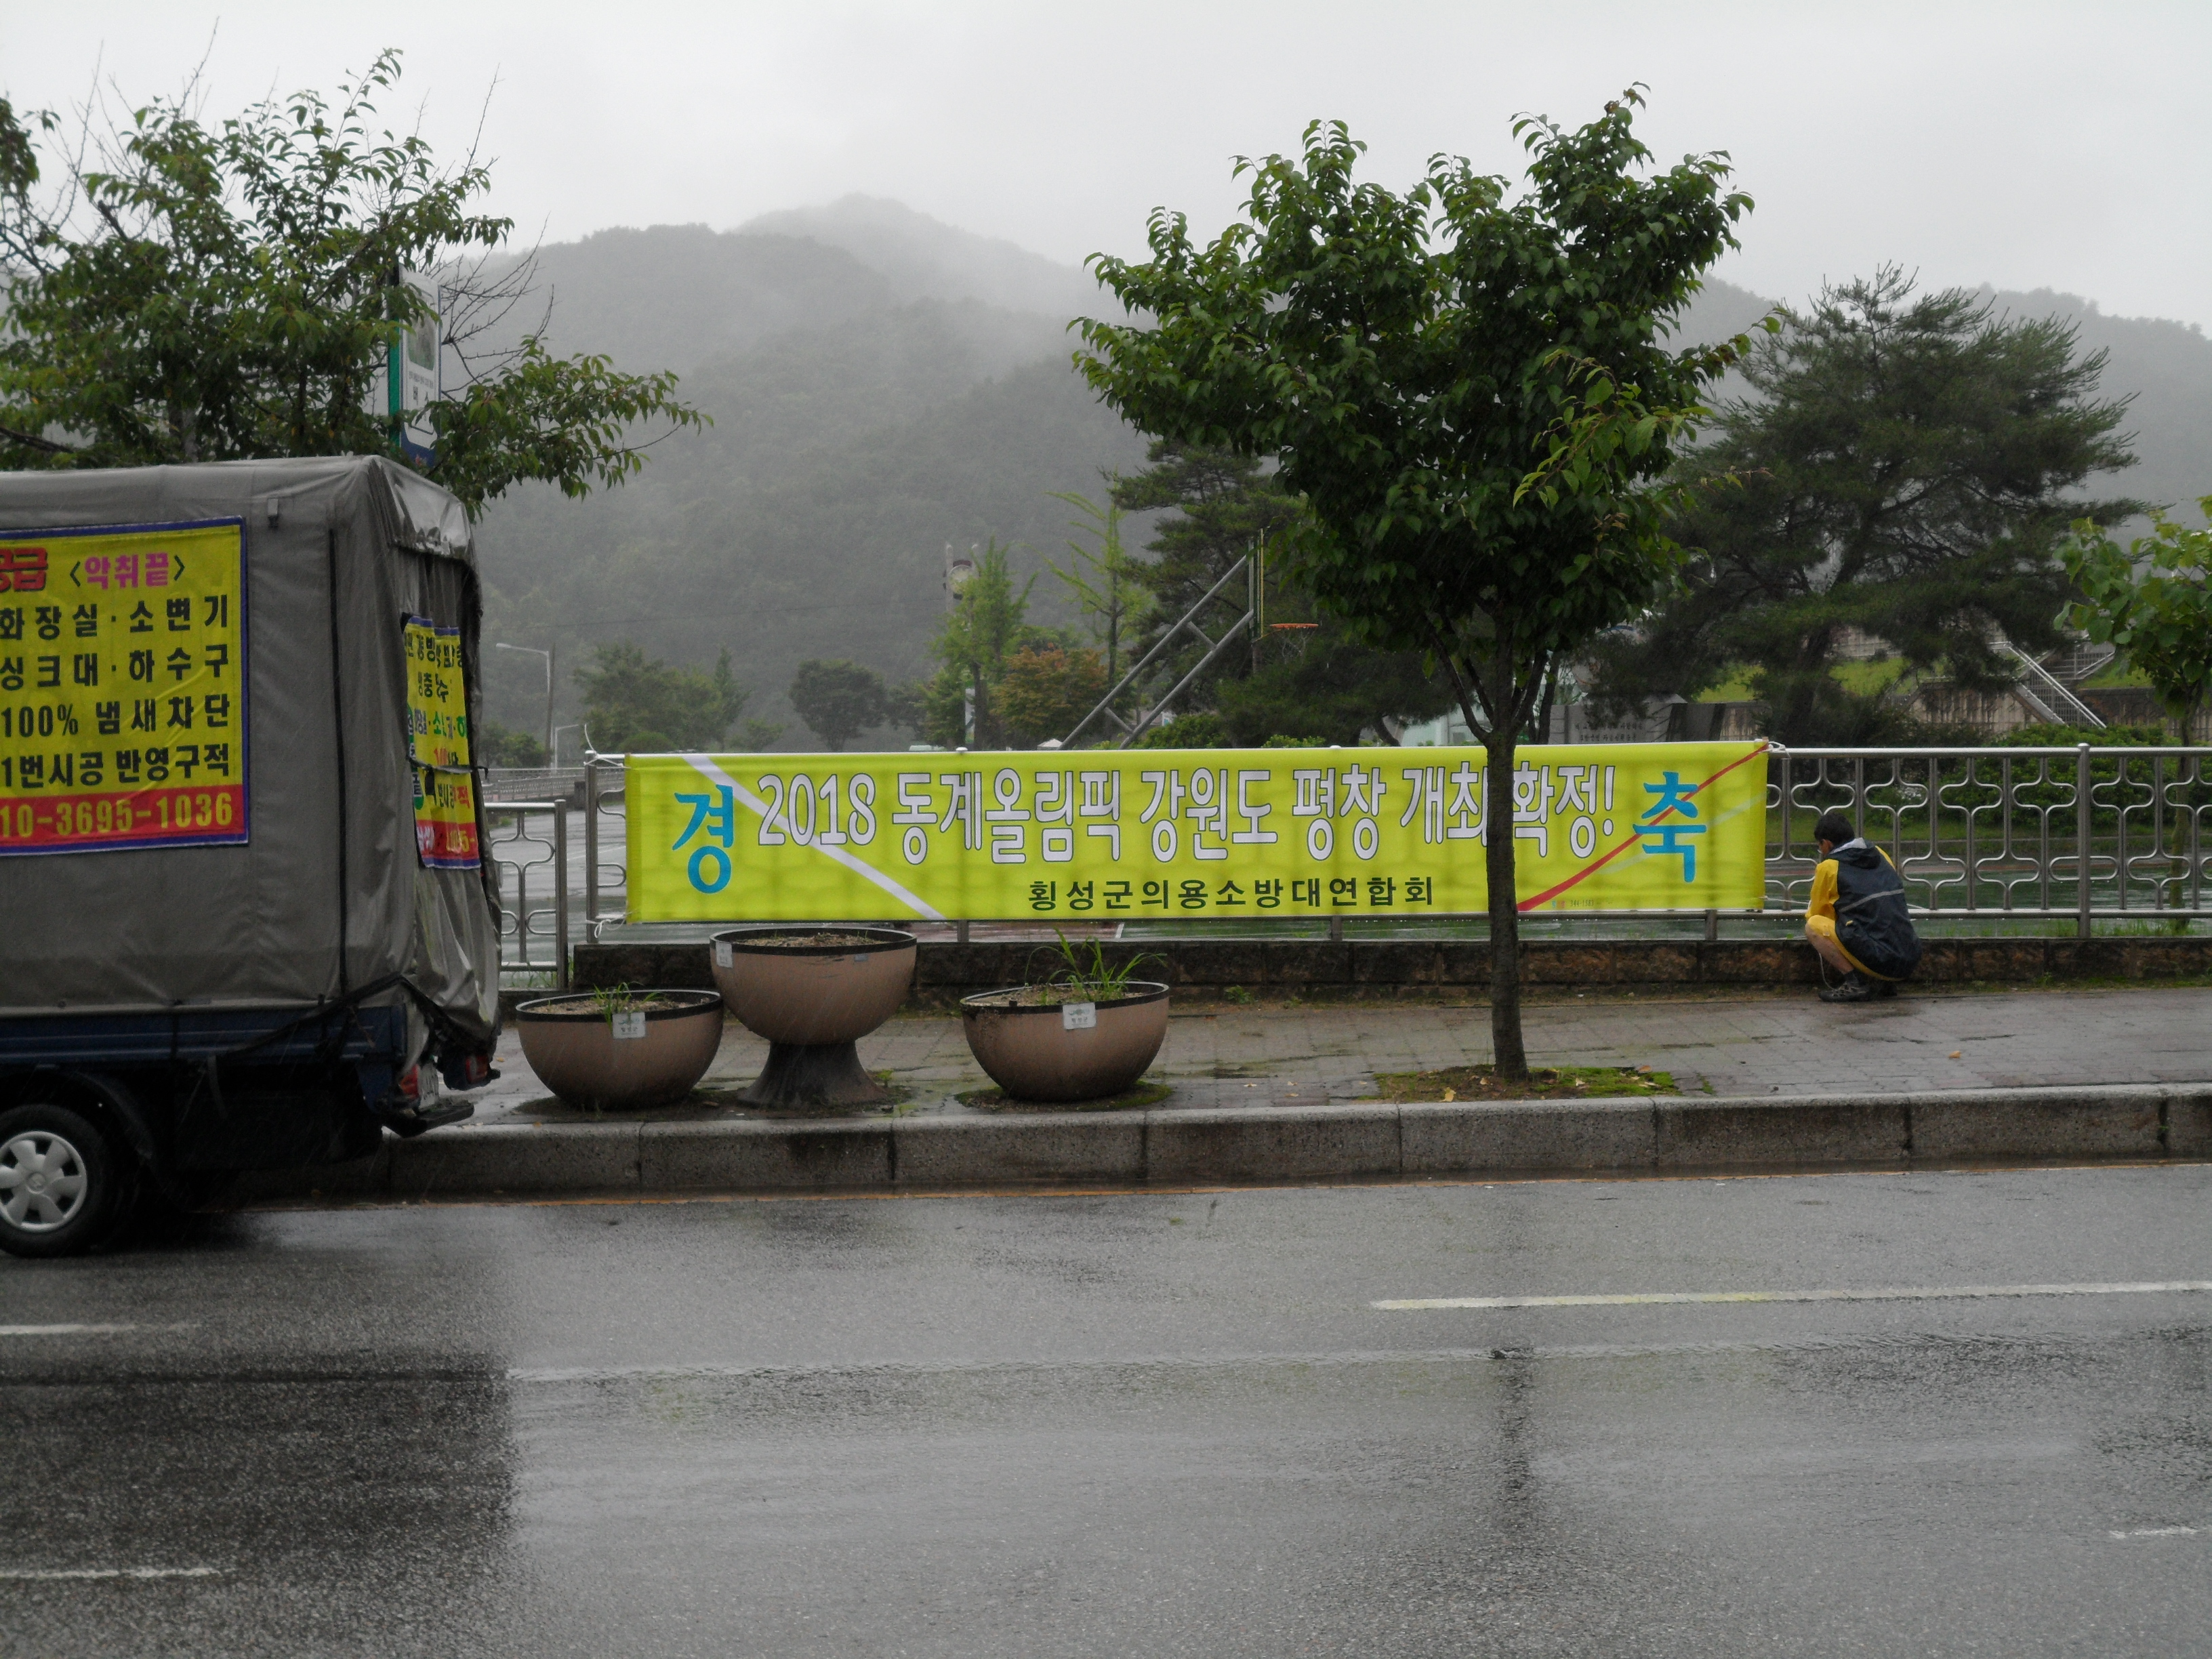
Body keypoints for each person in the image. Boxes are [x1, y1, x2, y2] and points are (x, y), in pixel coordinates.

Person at [1804, 810, 1921, 1003]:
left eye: (1820, 846)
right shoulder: (1880, 853)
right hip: (1909, 957)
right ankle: (1884, 983)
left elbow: (1818, 912)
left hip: (1880, 961)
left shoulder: (1829, 867)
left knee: (1814, 926)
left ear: (1827, 844)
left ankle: (1855, 984)